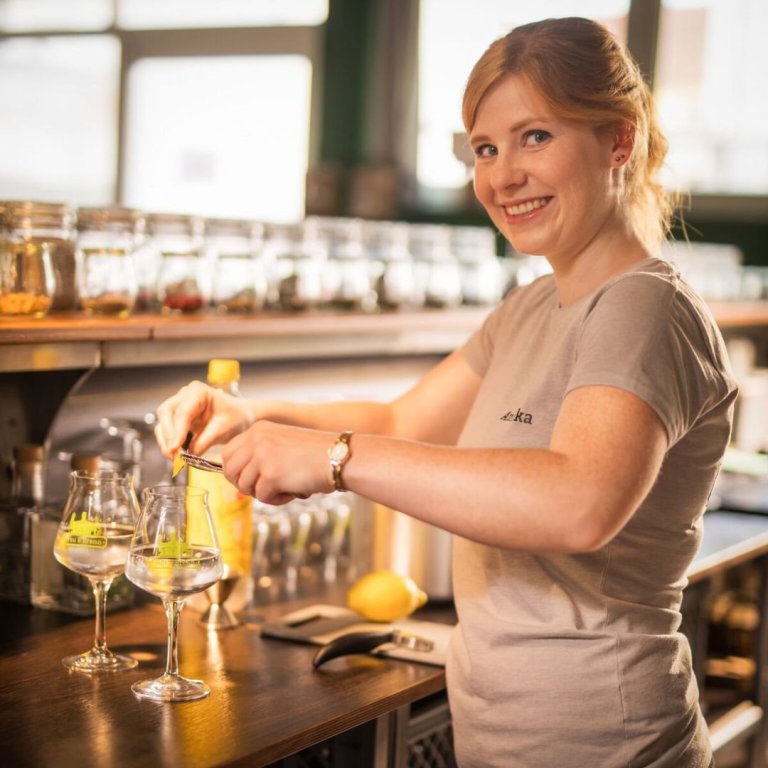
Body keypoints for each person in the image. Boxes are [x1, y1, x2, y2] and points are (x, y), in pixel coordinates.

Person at [155, 17, 737, 768]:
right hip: (503, 737)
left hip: (605, 744)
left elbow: (579, 502)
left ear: (618, 141)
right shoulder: (530, 307)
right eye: (484, 149)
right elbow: (403, 419)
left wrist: (333, 459)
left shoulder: (644, 308)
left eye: (535, 137)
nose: (502, 176)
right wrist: (254, 414)